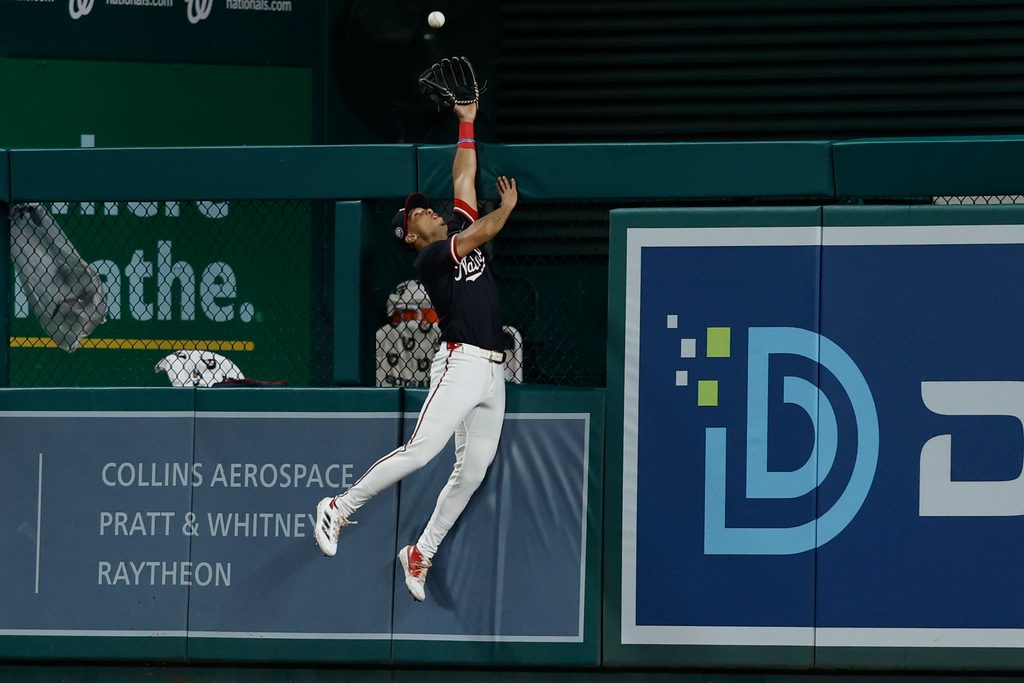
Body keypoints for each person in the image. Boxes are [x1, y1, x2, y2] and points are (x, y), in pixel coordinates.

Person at [314, 99, 518, 603]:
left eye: (425, 204)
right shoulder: (430, 257)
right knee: (422, 451)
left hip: (494, 372)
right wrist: (506, 211)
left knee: (472, 471)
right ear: (409, 234)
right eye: (416, 212)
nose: (426, 208)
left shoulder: (451, 227)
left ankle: (420, 553)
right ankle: (338, 506)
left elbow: (464, 179)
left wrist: (466, 121)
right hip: (461, 362)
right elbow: (485, 229)